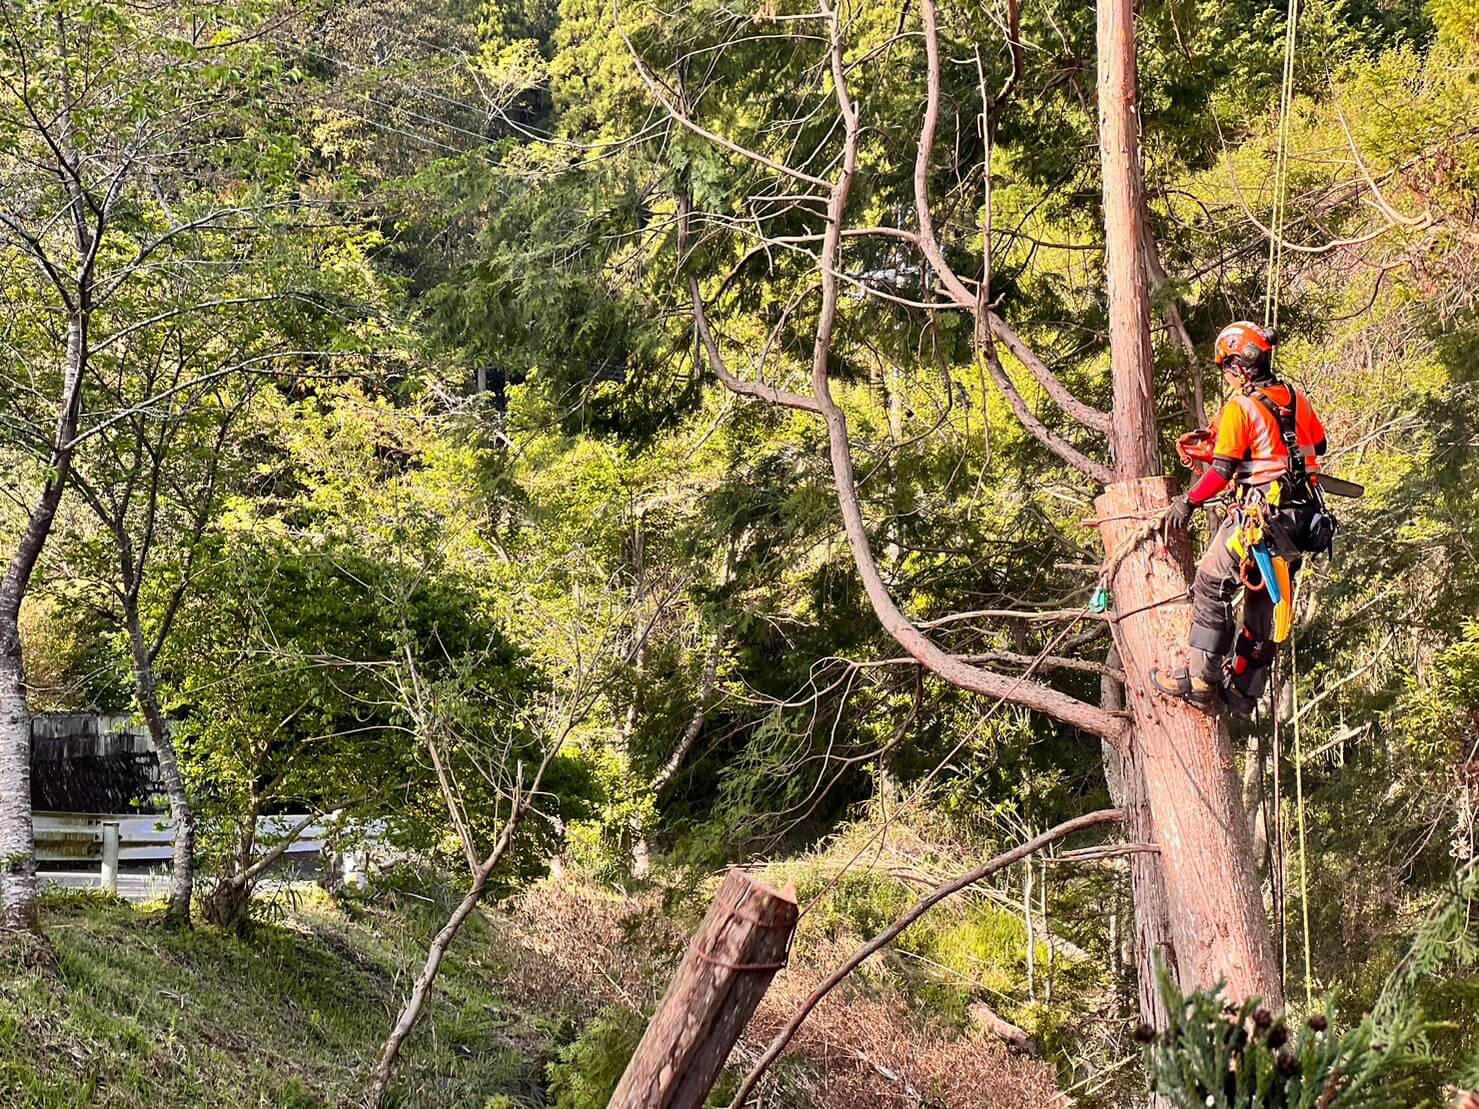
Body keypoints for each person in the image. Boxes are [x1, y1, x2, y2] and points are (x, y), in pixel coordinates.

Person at [1150, 321, 1332, 717]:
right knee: (1262, 607)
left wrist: (1188, 502)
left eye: (1227, 367)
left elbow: (1220, 471)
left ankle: (1200, 678)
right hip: (1302, 522)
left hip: (1260, 518)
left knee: (1211, 582)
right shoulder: (1296, 398)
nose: (1227, 376)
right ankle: (1243, 693)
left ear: (1241, 364)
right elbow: (1317, 444)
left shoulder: (1242, 406)